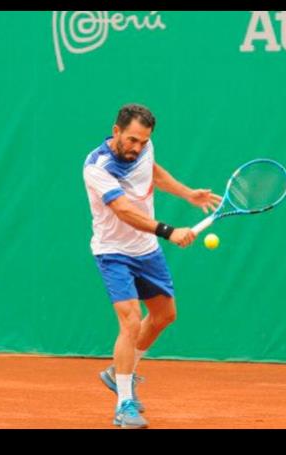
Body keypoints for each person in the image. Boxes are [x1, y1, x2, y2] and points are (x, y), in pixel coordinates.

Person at [82, 103, 222, 428]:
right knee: (130, 322)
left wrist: (188, 194)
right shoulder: (97, 167)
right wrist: (170, 231)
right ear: (116, 131)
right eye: (132, 140)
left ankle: (118, 373)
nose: (137, 147)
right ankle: (124, 404)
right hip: (113, 251)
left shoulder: (143, 148)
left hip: (146, 250)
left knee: (164, 316)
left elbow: (152, 171)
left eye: (143, 141)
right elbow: (124, 210)